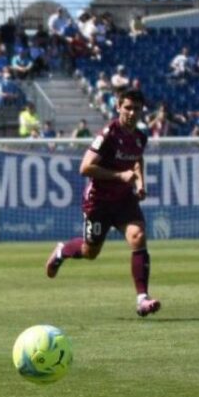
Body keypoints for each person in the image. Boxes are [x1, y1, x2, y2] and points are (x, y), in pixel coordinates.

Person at [44, 90, 160, 318]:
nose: (132, 112)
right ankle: (61, 251)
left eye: (136, 108)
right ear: (118, 106)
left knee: (138, 236)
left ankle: (142, 299)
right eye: (127, 107)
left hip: (124, 200)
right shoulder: (107, 135)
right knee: (90, 252)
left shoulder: (140, 136)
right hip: (99, 202)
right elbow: (85, 167)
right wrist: (120, 176)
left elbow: (137, 159)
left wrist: (140, 183)